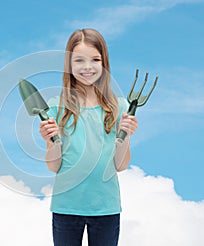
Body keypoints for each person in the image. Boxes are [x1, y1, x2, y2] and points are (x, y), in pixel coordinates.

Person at [39, 28, 138, 246]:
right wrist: (50, 142)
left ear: (104, 63)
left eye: (95, 59)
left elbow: (120, 165)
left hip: (106, 207)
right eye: (79, 60)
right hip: (66, 206)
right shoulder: (57, 107)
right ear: (69, 65)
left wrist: (126, 135)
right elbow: (53, 167)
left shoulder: (119, 107)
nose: (87, 67)